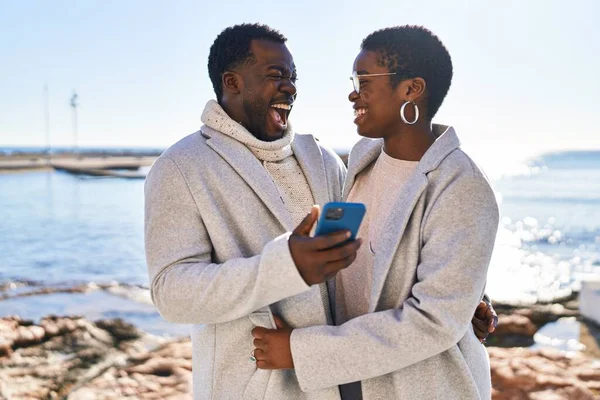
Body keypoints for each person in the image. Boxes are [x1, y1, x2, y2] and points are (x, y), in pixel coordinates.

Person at [145, 23, 496, 400]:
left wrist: (462, 293)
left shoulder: (325, 161)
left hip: (346, 385)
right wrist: (285, 268)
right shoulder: (181, 167)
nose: (291, 87)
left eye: (294, 77)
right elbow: (171, 293)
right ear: (232, 82)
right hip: (255, 385)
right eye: (277, 75)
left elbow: (378, 251)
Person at [252, 25, 499, 400]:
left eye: (365, 81)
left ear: (411, 90)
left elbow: (433, 323)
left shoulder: (462, 186)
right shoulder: (361, 161)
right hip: (347, 384)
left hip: (424, 387)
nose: (353, 93)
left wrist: (301, 350)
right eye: (354, 80)